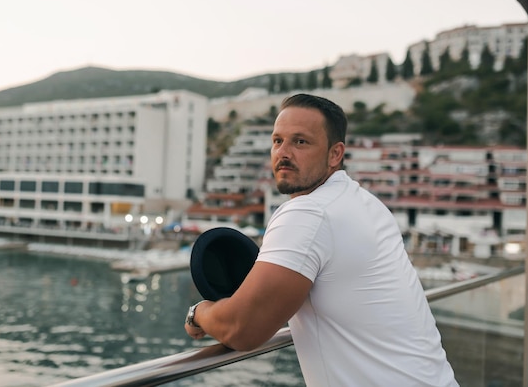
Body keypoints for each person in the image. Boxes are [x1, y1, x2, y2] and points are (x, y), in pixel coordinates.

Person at [185, 93, 458, 386]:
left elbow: (243, 328)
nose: (284, 152)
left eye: (300, 141)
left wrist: (198, 313)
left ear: (334, 154)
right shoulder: (365, 203)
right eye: (278, 141)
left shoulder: (309, 212)